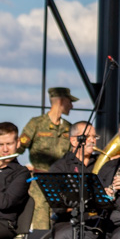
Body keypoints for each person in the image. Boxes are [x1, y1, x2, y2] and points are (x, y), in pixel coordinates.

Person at [20, 87, 77, 230]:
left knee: (61, 227)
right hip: (40, 185)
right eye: (70, 101)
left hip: (61, 185)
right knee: (41, 227)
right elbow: (18, 148)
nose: (72, 106)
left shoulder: (69, 128)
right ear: (61, 101)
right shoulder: (36, 124)